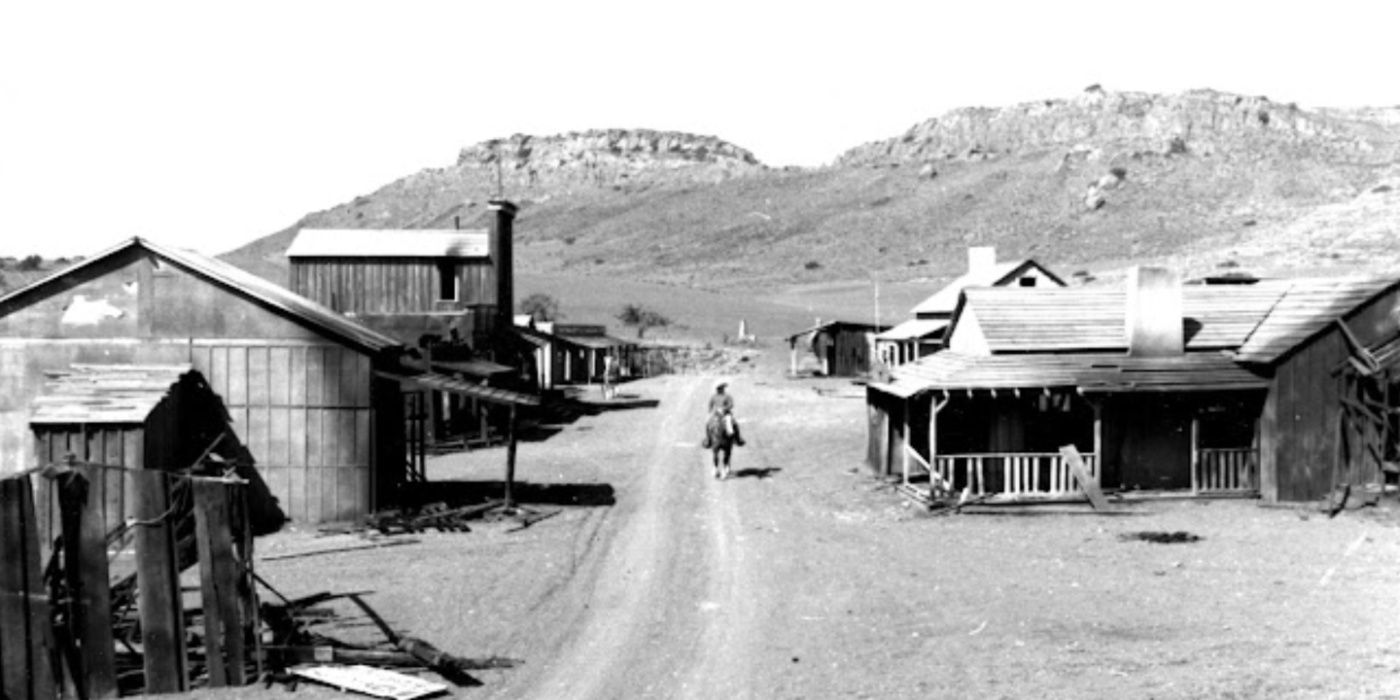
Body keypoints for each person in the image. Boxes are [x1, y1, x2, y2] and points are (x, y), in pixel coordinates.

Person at [704, 381, 744, 446]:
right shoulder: (713, 396)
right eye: (719, 388)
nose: (720, 390)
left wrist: (725, 409)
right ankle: (708, 440)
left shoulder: (727, 396)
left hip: (726, 413)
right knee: (708, 424)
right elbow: (710, 405)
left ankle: (738, 439)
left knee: (735, 424)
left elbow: (731, 404)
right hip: (716, 414)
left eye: (721, 388)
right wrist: (711, 411)